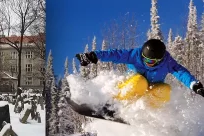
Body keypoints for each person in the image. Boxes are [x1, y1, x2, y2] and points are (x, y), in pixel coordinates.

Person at [76, 39, 204, 108]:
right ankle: (115, 106)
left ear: (159, 60)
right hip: (132, 86)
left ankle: (148, 116)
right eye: (145, 58)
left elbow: (181, 72)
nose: (147, 62)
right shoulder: (135, 55)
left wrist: (195, 85)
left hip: (151, 90)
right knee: (140, 82)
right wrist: (93, 56)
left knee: (165, 90)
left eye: (151, 61)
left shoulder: (167, 62)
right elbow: (115, 54)